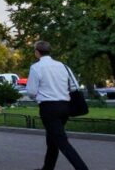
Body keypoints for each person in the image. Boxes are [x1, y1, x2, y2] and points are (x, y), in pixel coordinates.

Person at [25, 41, 91, 170]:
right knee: (52, 139)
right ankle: (47, 167)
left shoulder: (36, 67)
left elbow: (31, 91)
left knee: (61, 141)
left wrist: (39, 96)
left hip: (49, 108)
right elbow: (74, 86)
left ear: (37, 52)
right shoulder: (63, 66)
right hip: (65, 106)